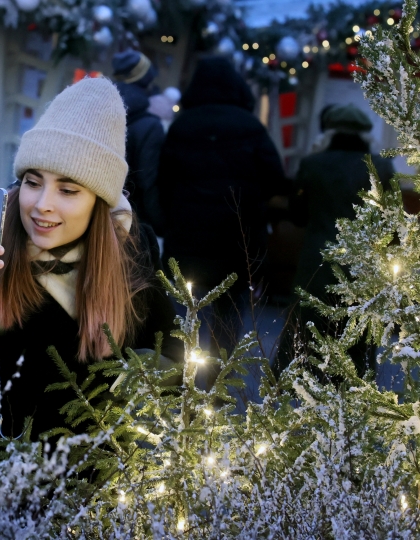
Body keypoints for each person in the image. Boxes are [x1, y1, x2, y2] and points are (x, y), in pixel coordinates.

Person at [0, 77, 182, 441]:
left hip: (87, 482)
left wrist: (137, 376)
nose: (42, 204)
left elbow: (174, 355)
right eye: (33, 182)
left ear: (99, 200)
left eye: (67, 189)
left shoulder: (129, 254)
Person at [157, 57, 286, 368]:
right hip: (236, 243)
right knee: (227, 323)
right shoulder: (251, 127)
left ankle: (176, 387)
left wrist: (167, 221)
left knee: (182, 318)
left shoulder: (182, 126)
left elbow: (163, 182)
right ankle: (217, 393)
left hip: (186, 240)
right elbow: (274, 181)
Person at [274, 104, 395, 378]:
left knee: (305, 328)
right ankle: (350, 389)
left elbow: (297, 213)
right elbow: (390, 221)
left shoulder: (313, 164)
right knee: (356, 334)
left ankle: (293, 388)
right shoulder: (382, 167)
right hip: (363, 265)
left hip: (316, 261)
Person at [112, 50, 167, 236]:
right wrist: (160, 224)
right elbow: (147, 181)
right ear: (146, 80)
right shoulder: (150, 126)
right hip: (129, 224)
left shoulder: (96, 111)